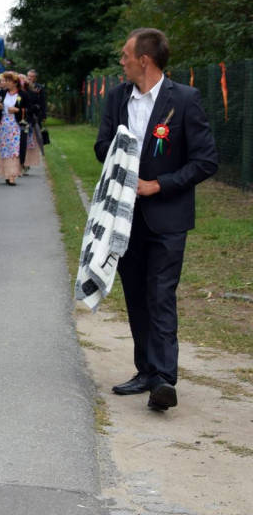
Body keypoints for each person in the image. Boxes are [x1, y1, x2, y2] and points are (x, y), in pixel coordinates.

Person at [95, 28, 218, 412]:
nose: (122, 61)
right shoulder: (117, 98)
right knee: (135, 293)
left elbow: (205, 161)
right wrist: (123, 152)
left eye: (125, 55)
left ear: (143, 60)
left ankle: (165, 380)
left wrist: (158, 185)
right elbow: (102, 147)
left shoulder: (184, 99)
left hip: (167, 217)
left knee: (161, 293)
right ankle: (146, 371)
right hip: (124, 218)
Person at [0, 71, 24, 185]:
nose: (5, 83)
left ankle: (12, 175)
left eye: (7, 80)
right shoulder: (1, 93)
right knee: (4, 149)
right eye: (5, 80)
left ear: (15, 82)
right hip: (3, 124)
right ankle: (6, 173)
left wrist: (18, 110)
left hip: (15, 124)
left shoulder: (22, 94)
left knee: (14, 149)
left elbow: (30, 109)